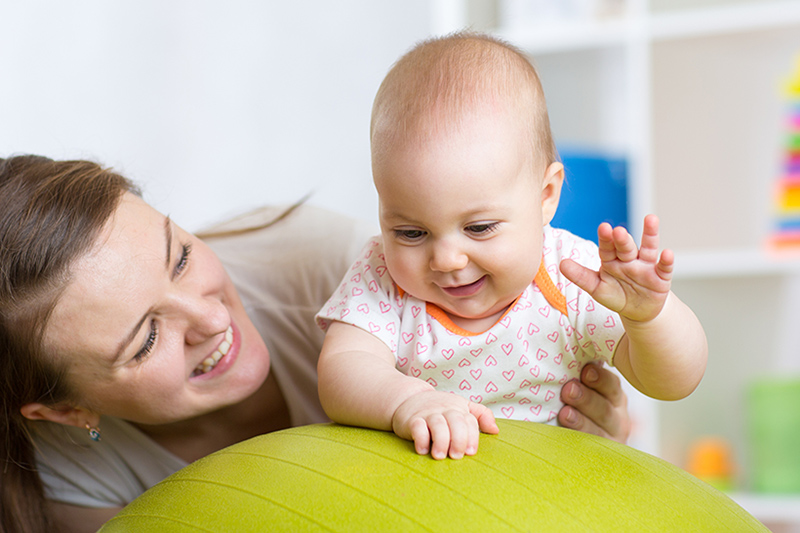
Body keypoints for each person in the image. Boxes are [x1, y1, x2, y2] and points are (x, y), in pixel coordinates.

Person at [0, 154, 632, 533]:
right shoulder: (63, 471)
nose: (208, 317)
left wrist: (572, 441)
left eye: (182, 256)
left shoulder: (340, 269)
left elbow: (535, 365)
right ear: (64, 412)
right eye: (147, 338)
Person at [315, 32, 708, 461]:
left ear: (546, 196)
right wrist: (405, 401)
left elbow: (675, 382)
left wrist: (650, 318)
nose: (447, 260)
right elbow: (341, 371)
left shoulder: (573, 274)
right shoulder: (382, 276)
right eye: (410, 233)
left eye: (480, 228)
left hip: (552, 496)